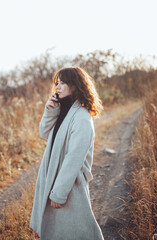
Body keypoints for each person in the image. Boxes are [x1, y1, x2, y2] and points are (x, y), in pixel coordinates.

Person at [30, 66, 104, 239]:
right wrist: (50, 110)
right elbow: (43, 133)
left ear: (75, 85)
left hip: (70, 184)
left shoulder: (82, 118)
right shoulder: (63, 109)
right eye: (57, 83)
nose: (58, 87)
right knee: (58, 230)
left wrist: (59, 193)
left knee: (78, 230)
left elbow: (74, 159)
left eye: (63, 83)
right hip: (53, 177)